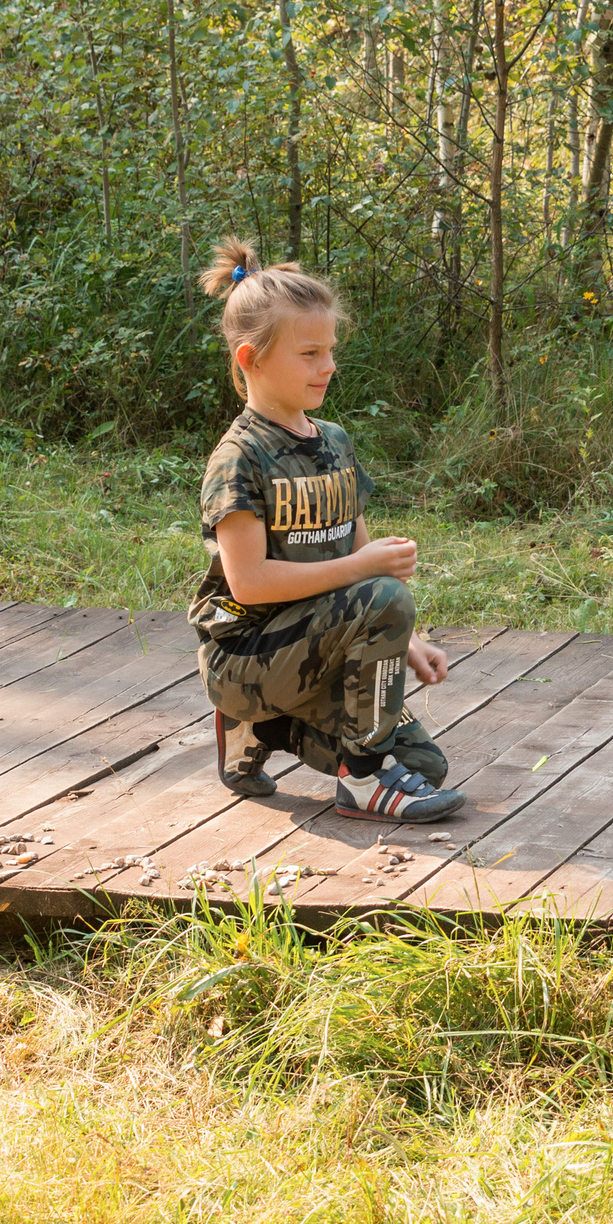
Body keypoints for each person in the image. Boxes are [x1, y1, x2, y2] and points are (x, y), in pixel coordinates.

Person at [189, 239, 465, 823]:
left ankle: (266, 726)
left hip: (319, 651)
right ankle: (360, 781)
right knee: (384, 597)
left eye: (331, 350)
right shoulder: (240, 458)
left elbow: (356, 549)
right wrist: (368, 577)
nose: (329, 366)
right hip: (248, 656)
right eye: (310, 353)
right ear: (251, 359)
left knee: (424, 762)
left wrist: (406, 641)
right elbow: (251, 584)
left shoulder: (334, 442)